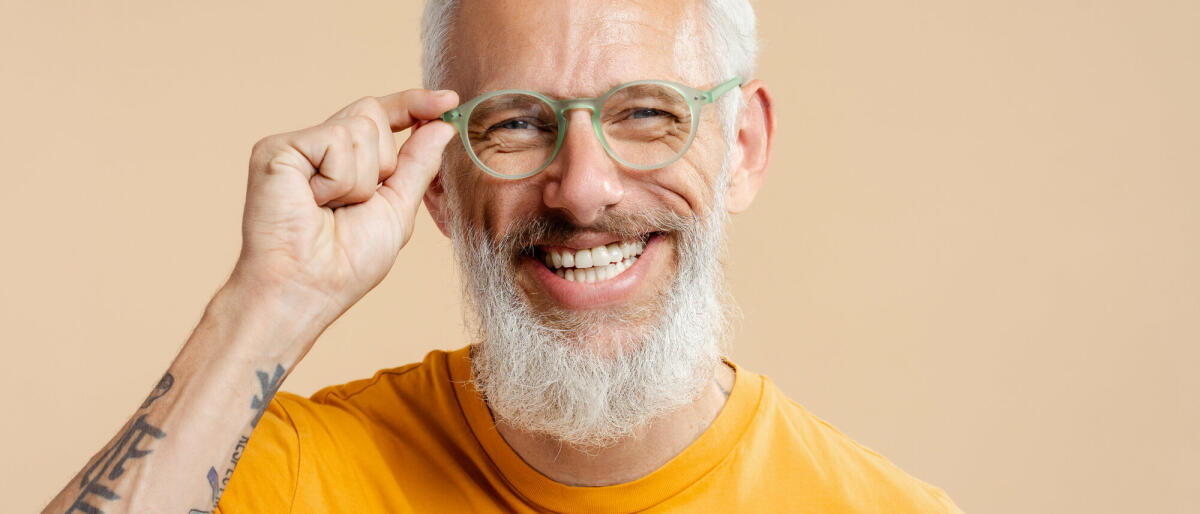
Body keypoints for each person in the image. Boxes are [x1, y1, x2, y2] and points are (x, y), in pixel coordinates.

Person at [44, 0, 963, 512]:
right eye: (517, 123)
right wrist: (269, 300)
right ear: (439, 176)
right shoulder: (297, 475)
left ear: (744, 147)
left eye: (646, 111)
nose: (584, 189)